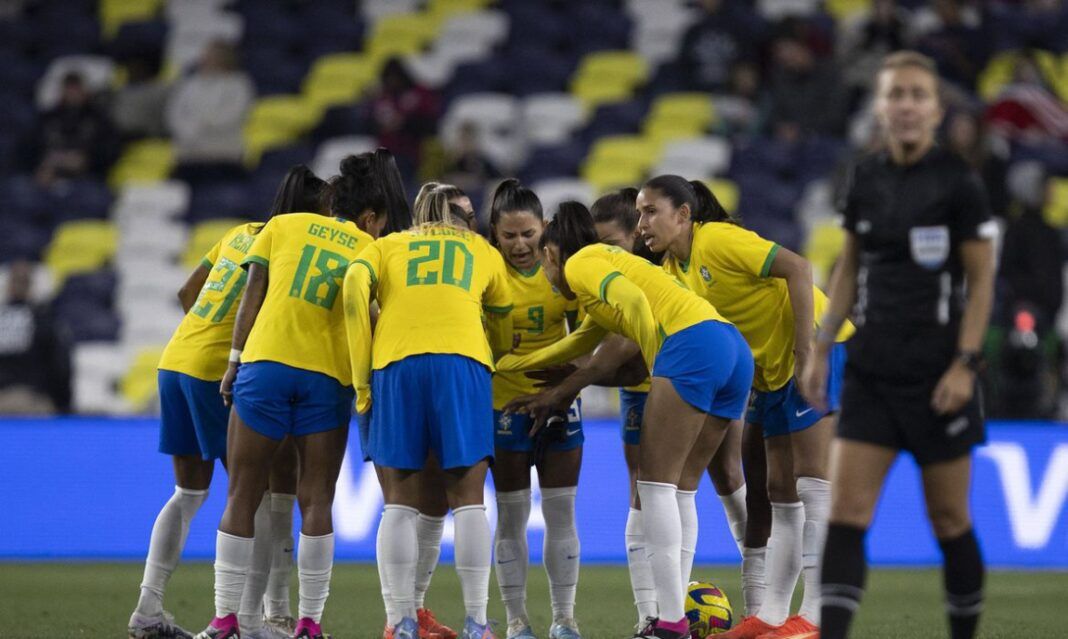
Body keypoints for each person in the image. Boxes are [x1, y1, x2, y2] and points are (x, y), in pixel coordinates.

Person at [800, 51, 996, 639]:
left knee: (949, 518)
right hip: (873, 371)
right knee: (847, 515)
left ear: (935, 110)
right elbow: (847, 267)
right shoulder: (865, 177)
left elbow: (982, 280)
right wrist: (820, 345)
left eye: (917, 95)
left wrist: (965, 365)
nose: (906, 105)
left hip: (938, 373)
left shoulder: (958, 182)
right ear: (882, 107)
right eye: (896, 95)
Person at [496, 203, 753, 639]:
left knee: (652, 487)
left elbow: (633, 302)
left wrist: (658, 359)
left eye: (542, 258)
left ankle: (669, 622)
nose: (542, 269)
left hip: (688, 348)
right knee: (681, 487)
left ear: (551, 255)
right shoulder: (602, 280)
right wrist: (501, 365)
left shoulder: (583, 264)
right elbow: (577, 345)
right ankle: (680, 616)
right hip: (730, 348)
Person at [195, 149, 409, 639]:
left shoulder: (284, 225)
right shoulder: (369, 246)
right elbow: (373, 315)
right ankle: (309, 624)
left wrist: (233, 361)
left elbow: (254, 292)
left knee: (242, 495)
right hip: (326, 379)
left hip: (266, 365)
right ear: (369, 215)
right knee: (316, 500)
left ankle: (225, 618)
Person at [637, 176, 851, 639]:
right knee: (778, 491)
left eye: (650, 211)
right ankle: (773, 615)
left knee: (812, 482)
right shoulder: (673, 271)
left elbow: (797, 267)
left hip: (811, 349)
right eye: (638, 214)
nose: (641, 225)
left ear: (683, 215)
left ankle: (815, 616)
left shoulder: (718, 240)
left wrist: (804, 352)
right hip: (771, 372)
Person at [130, 166, 326, 639]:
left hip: (175, 360)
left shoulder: (240, 234)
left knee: (190, 493)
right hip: (215, 372)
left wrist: (205, 338)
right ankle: (251, 622)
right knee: (252, 497)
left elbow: (187, 292)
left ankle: (148, 609)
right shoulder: (292, 248)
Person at [343, 186, 514, 639]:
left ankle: (400, 621)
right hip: (462, 362)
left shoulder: (386, 246)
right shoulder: (481, 249)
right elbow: (504, 317)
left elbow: (353, 286)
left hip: (395, 364)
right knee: (468, 500)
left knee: (398, 502)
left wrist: (363, 376)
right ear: (460, 219)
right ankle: (477, 622)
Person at [588, 189, 749, 626]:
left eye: (613, 244)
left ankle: (757, 593)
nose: (605, 253)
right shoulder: (637, 270)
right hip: (644, 387)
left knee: (723, 475)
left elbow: (624, 343)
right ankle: (652, 616)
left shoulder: (658, 270)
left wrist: (570, 379)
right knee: (646, 490)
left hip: (693, 373)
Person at [484, 179, 583, 639]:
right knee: (511, 516)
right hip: (505, 404)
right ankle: (517, 620)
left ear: (544, 228)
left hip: (561, 403)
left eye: (529, 234)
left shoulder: (565, 269)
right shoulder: (486, 274)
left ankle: (564, 618)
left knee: (562, 514)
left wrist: (571, 376)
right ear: (494, 234)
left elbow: (594, 336)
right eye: (510, 236)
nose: (521, 245)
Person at [166, 40, 254, 183]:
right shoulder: (189, 84)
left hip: (224, 157)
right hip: (189, 157)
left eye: (211, 54)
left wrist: (202, 124)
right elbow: (175, 113)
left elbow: (233, 114)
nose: (205, 58)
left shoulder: (238, 84)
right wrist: (188, 130)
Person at [0, 260, 71, 414]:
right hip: (33, 403)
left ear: (9, 286)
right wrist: (64, 405)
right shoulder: (42, 318)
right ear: (31, 287)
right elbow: (61, 366)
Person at [30, 71, 118, 186]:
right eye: (69, 88)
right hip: (47, 174)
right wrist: (43, 162)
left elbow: (111, 150)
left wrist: (86, 160)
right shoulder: (47, 118)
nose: (73, 93)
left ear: (86, 91)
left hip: (88, 176)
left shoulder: (100, 119)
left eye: (76, 88)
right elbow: (28, 148)